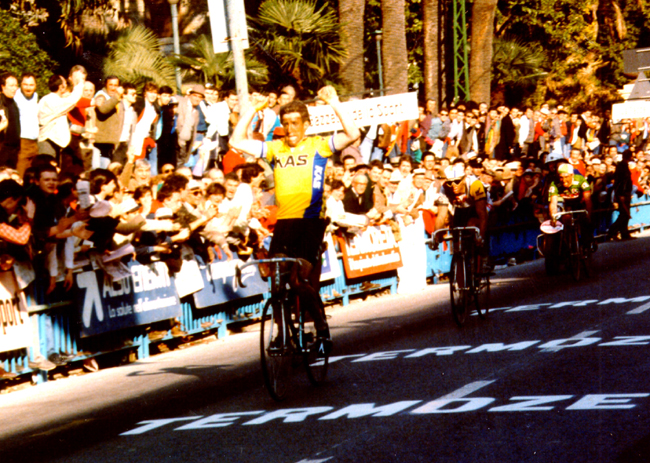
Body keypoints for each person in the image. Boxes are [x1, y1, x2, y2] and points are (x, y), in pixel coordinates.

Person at [230, 85, 360, 353]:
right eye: (285, 123)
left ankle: (321, 325)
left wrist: (334, 102)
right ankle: (282, 334)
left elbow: (352, 133)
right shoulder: (275, 148)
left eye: (295, 123)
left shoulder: (319, 145)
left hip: (311, 222)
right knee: (277, 282)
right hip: (285, 224)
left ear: (306, 125)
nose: (289, 129)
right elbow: (236, 141)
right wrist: (254, 109)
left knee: (298, 278)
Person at [441, 162, 489, 271]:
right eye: (450, 183)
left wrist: (480, 236)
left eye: (457, 181)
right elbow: (441, 216)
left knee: (473, 225)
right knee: (457, 236)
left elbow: (482, 215)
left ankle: (484, 258)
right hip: (460, 209)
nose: (454, 185)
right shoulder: (444, 187)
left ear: (464, 178)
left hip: (476, 207)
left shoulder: (475, 184)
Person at [548, 162, 594, 252]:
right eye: (561, 177)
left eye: (566, 177)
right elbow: (553, 203)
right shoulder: (554, 183)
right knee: (558, 220)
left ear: (572, 175)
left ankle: (587, 244)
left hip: (578, 203)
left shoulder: (580, 180)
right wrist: (553, 217)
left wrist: (589, 215)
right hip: (564, 204)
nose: (563, 180)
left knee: (585, 220)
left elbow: (588, 200)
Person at [607, 149, 634, 240]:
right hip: (622, 193)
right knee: (624, 214)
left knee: (625, 214)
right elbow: (620, 182)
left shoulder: (623, 166)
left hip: (625, 192)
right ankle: (612, 231)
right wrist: (620, 194)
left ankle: (624, 233)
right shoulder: (622, 167)